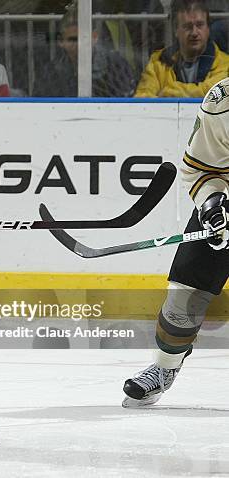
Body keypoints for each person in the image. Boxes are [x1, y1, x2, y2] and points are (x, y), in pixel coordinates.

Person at [122, 76, 229, 407]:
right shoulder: (223, 101)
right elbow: (202, 168)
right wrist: (213, 203)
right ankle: (164, 367)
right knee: (183, 298)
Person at [33, 3, 136, 97]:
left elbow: (127, 102)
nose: (79, 44)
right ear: (61, 41)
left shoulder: (116, 65)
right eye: (72, 40)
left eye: (84, 38)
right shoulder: (52, 70)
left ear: (95, 37)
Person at [134, 0, 229, 98]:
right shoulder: (158, 61)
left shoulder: (225, 64)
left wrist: (169, 93)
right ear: (176, 30)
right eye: (187, 26)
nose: (194, 33)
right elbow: (142, 97)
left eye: (200, 25)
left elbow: (214, 93)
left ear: (208, 29)